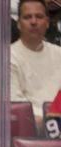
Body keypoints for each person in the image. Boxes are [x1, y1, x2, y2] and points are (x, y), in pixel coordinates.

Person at [10, 0, 61, 131]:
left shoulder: (59, 53)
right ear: (19, 24)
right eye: (27, 17)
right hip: (27, 134)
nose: (33, 22)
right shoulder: (6, 57)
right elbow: (15, 110)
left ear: (48, 22)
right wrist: (50, 121)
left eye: (39, 17)